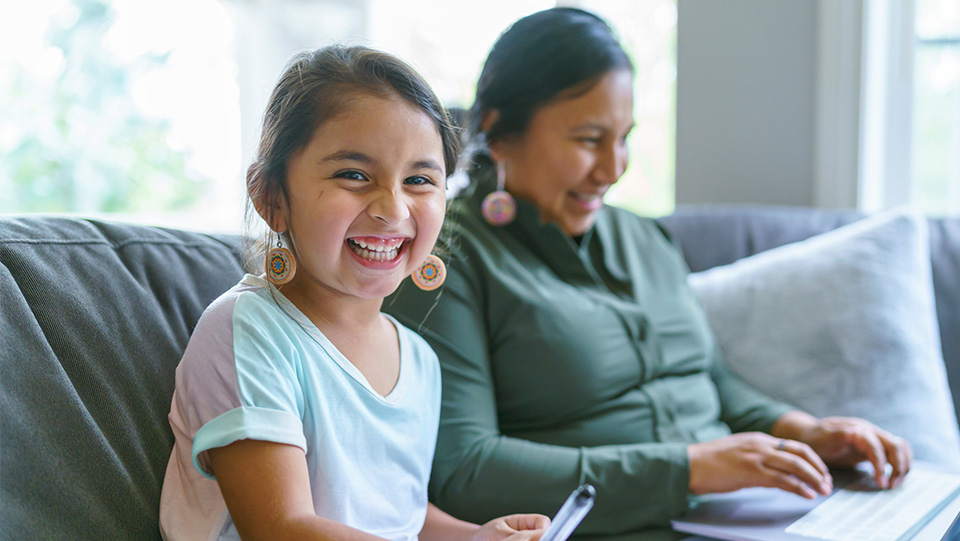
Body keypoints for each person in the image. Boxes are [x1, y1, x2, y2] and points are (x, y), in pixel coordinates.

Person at [384, 8, 913, 539]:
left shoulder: (645, 239)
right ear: (499, 133)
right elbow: (465, 472)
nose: (615, 168)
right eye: (590, 139)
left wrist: (802, 431)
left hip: (745, 515)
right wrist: (690, 468)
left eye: (624, 138)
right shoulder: (444, 260)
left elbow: (710, 382)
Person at [158, 45, 549, 540]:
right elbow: (281, 528)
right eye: (354, 175)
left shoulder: (420, 360)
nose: (393, 208)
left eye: (420, 180)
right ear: (270, 198)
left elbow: (399, 519)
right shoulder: (248, 330)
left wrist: (477, 536)